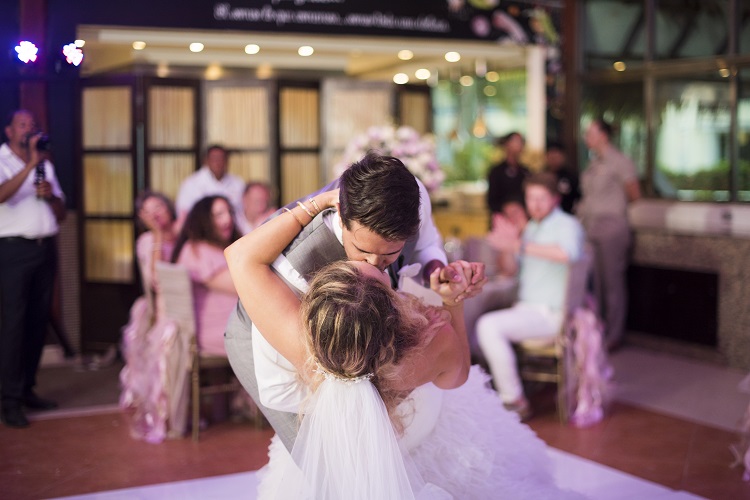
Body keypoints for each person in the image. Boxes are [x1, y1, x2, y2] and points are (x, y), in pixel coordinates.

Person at [224, 186, 584, 499]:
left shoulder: (309, 349)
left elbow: (240, 257)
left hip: (362, 441)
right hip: (413, 433)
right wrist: (451, 301)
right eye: (379, 273)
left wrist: (317, 203)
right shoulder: (428, 345)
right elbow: (457, 374)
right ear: (392, 312)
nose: (376, 264)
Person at [223, 153, 487, 452]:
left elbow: (426, 244)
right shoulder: (295, 273)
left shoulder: (412, 199)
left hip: (359, 338)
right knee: (324, 449)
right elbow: (335, 383)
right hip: (271, 336)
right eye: (362, 251)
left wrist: (438, 271)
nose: (377, 266)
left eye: (390, 255)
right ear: (340, 216)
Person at [477, 172, 585, 420]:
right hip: (526, 309)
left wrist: (519, 245)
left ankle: (513, 399)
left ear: (555, 199)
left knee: (487, 326)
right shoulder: (530, 228)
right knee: (477, 329)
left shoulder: (566, 224)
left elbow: (569, 254)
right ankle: (511, 388)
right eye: (530, 198)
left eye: (541, 199)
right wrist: (508, 243)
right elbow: (511, 269)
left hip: (551, 313)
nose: (535, 205)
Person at [0, 109, 66, 428]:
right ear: (9, 131)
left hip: (45, 249)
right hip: (13, 251)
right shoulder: (4, 160)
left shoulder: (47, 165)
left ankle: (27, 389)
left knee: (37, 323)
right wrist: (30, 165)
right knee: (13, 325)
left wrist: (51, 195)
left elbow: (62, 212)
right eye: (23, 126)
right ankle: (9, 400)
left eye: (34, 126)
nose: (30, 131)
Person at [119, 190, 179, 441]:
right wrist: (156, 234)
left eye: (160, 207)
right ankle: (169, 412)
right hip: (166, 306)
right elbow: (156, 280)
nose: (157, 213)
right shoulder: (146, 241)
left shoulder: (184, 232)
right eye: (149, 210)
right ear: (142, 217)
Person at [578, 119, 641, 351]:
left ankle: (614, 335)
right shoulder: (592, 164)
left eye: (590, 133)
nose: (587, 138)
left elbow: (634, 194)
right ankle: (598, 332)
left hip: (612, 228)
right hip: (590, 228)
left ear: (603, 135)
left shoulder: (620, 161)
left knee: (613, 282)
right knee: (595, 284)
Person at [171, 195, 241, 356]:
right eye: (219, 215)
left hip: (230, 323)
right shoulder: (196, 250)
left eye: (230, 213)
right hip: (218, 329)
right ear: (203, 220)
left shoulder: (213, 247)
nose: (228, 219)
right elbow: (242, 286)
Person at [174, 145, 245, 224]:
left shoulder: (238, 183)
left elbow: (243, 213)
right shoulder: (191, 183)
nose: (218, 162)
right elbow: (184, 214)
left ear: (227, 161)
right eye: (214, 159)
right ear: (206, 161)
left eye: (221, 158)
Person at [486, 131, 530, 215]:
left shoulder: (525, 172)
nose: (519, 145)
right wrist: (506, 208)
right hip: (501, 219)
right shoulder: (496, 172)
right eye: (515, 141)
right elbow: (491, 201)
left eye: (521, 142)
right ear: (506, 144)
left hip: (522, 219)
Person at [544, 140, 580, 214]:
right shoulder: (542, 176)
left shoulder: (571, 176)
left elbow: (578, 198)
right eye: (551, 155)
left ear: (563, 156)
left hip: (567, 215)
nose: (553, 159)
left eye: (556, 155)